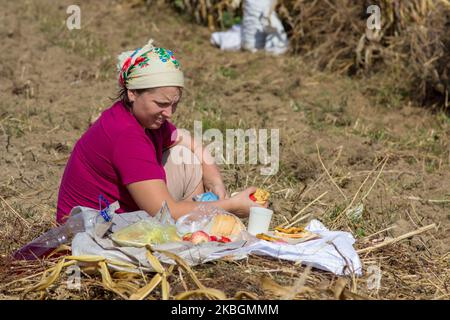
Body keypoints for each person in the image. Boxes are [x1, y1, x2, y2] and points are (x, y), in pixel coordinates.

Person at [56, 39, 263, 224]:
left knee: (187, 160)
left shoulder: (140, 119)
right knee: (176, 200)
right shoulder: (126, 135)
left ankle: (195, 227)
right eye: (161, 103)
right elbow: (166, 212)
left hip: (118, 213)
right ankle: (193, 229)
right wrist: (231, 206)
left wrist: (214, 179)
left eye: (174, 104)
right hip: (92, 230)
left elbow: (187, 140)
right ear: (132, 93)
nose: (169, 113)